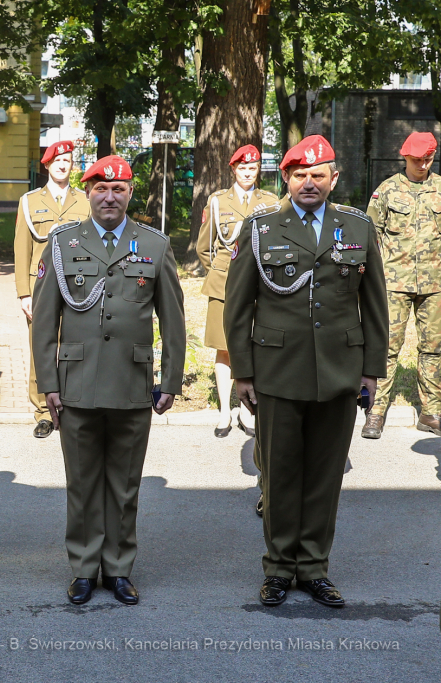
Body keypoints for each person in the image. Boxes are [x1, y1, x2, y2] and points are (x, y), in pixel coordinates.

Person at [223, 135, 387, 608]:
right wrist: (244, 373)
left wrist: (371, 370)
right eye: (300, 175)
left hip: (340, 369)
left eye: (319, 175)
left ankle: (313, 567)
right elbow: (238, 308)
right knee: (280, 473)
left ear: (334, 179)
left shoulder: (357, 227)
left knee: (324, 474)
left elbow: (375, 306)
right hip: (277, 370)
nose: (309, 183)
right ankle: (278, 568)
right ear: (287, 180)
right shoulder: (261, 228)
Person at [32, 156, 186, 606]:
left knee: (124, 483)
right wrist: (48, 382)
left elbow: (172, 319)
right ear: (88, 193)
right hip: (76, 380)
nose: (109, 197)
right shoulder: (62, 244)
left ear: (131, 193)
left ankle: (118, 569)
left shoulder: (153, 245)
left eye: (118, 189)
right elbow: (44, 321)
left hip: (131, 382)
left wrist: (171, 380)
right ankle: (83, 568)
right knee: (81, 482)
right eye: (100, 189)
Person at [362, 132, 441, 438]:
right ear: (404, 157)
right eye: (416, 159)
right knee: (384, 347)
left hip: (435, 283)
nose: (422, 164)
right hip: (393, 282)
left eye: (428, 159)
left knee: (433, 349)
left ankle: (431, 412)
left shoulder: (439, 188)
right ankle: (375, 413)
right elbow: (372, 234)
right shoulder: (388, 190)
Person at [196, 144, 277, 438]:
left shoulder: (269, 201)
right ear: (233, 169)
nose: (247, 172)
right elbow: (204, 247)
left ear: (258, 170)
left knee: (255, 343)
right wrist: (219, 272)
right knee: (224, 346)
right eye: (242, 168)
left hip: (259, 282)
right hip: (224, 283)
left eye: (252, 168)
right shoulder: (217, 202)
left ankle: (247, 409)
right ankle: (223, 412)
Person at [14, 140, 90, 438]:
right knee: (41, 349)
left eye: (67, 160)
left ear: (72, 165)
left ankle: (71, 404)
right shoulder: (29, 201)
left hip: (78, 284)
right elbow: (21, 248)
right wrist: (24, 292)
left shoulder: (84, 201)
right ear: (46, 164)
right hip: (41, 285)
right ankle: (44, 411)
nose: (62, 164)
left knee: (76, 346)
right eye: (57, 160)